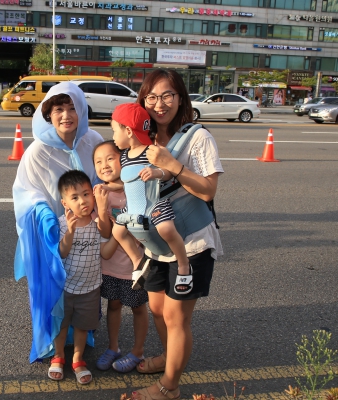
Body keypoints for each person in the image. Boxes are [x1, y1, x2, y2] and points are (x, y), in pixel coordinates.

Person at [122, 69, 223, 400]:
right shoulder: (143, 138)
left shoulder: (197, 137)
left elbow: (208, 191)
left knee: (177, 317)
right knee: (158, 311)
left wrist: (172, 164)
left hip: (190, 241)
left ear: (181, 98)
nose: (159, 104)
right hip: (155, 244)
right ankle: (170, 360)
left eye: (167, 95)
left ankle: (169, 386)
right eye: (151, 97)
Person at [12, 82, 103, 370]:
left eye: (72, 107)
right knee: (54, 291)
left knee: (84, 284)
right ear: (48, 115)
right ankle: (54, 345)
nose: (66, 115)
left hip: (86, 225)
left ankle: (80, 338)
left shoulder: (93, 140)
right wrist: (45, 216)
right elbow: (26, 191)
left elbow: (103, 176)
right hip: (53, 233)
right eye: (58, 109)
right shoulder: (38, 151)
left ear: (81, 109)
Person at [108, 103, 192, 295]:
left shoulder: (152, 152)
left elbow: (170, 172)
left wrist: (157, 173)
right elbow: (127, 182)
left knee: (167, 229)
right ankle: (138, 262)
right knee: (118, 231)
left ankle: (183, 264)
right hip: (132, 207)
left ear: (128, 131)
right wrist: (107, 187)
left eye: (114, 131)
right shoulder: (124, 157)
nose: (113, 136)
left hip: (155, 203)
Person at [92, 140, 150, 373]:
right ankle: (113, 347)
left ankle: (138, 351)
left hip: (136, 266)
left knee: (138, 308)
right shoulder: (100, 192)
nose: (104, 165)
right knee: (113, 305)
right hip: (111, 265)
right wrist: (103, 206)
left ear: (123, 160)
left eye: (109, 158)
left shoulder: (135, 187)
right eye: (98, 161)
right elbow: (105, 232)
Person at [49, 170, 105, 384]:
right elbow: (61, 253)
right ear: (65, 203)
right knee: (61, 325)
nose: (82, 201)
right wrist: (70, 232)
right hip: (65, 287)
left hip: (90, 287)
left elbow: (106, 241)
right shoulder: (62, 223)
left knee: (82, 325)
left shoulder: (97, 221)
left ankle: (78, 359)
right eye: (75, 197)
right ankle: (58, 355)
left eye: (86, 194)